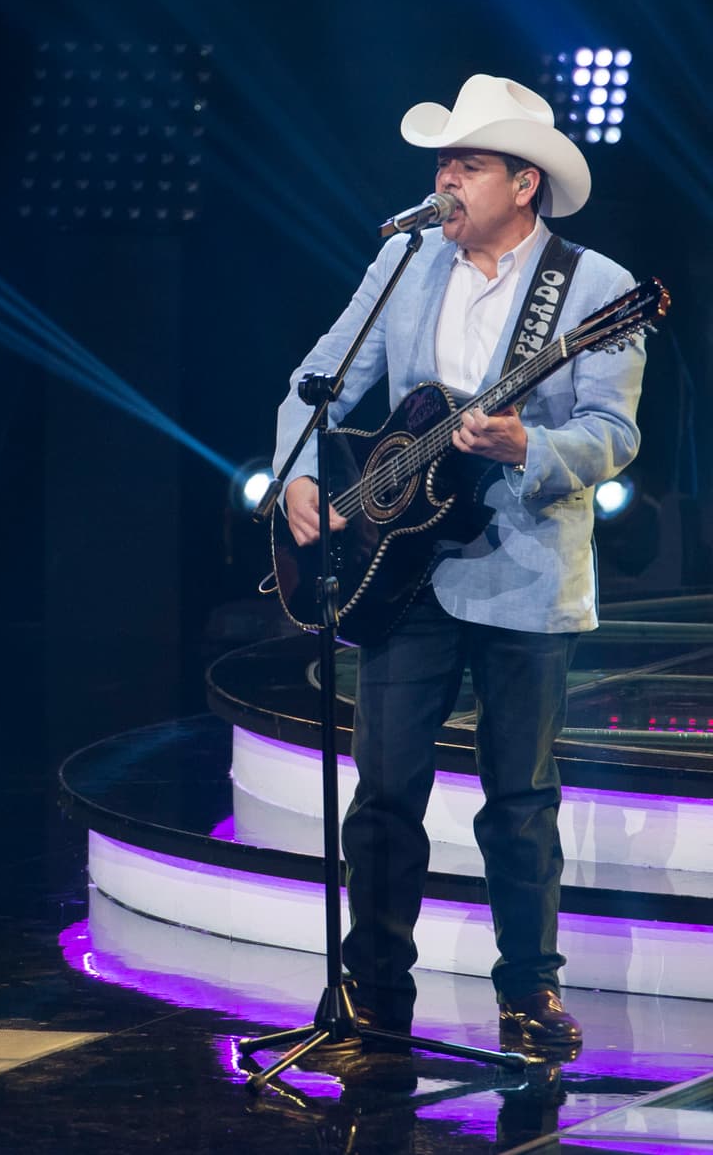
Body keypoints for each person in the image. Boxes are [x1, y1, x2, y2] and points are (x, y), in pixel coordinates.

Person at [274, 74, 647, 1047]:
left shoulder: (595, 289)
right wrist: (295, 475)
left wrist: (527, 447)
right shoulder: (405, 262)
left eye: (466, 164)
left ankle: (528, 992)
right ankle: (368, 991)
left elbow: (611, 434)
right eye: (441, 163)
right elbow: (317, 381)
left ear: (521, 184)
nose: (445, 181)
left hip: (524, 575)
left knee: (517, 800)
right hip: (401, 572)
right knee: (383, 791)